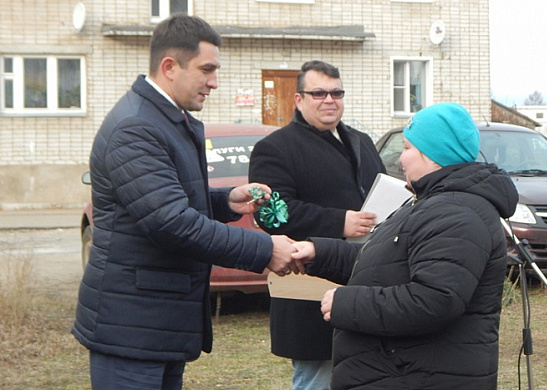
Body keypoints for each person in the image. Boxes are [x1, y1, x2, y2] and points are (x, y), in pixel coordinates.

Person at [71, 15, 298, 390]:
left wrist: (227, 202)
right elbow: (170, 223)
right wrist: (264, 249)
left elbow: (169, 200)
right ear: (169, 67)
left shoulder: (167, 119)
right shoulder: (136, 127)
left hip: (157, 322)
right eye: (206, 69)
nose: (214, 82)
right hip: (132, 329)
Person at [291, 102, 519, 389]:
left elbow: (434, 300)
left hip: (418, 375)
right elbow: (387, 262)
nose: (401, 159)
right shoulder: (432, 204)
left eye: (408, 148)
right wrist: (320, 253)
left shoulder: (457, 214)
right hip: (403, 371)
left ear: (435, 154)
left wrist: (346, 303)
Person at [249, 60, 386, 389]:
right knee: (318, 379)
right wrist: (341, 222)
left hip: (367, 283)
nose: (330, 100)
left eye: (336, 92)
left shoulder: (362, 141)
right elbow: (273, 216)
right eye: (319, 93)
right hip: (309, 290)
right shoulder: (275, 148)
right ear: (298, 99)